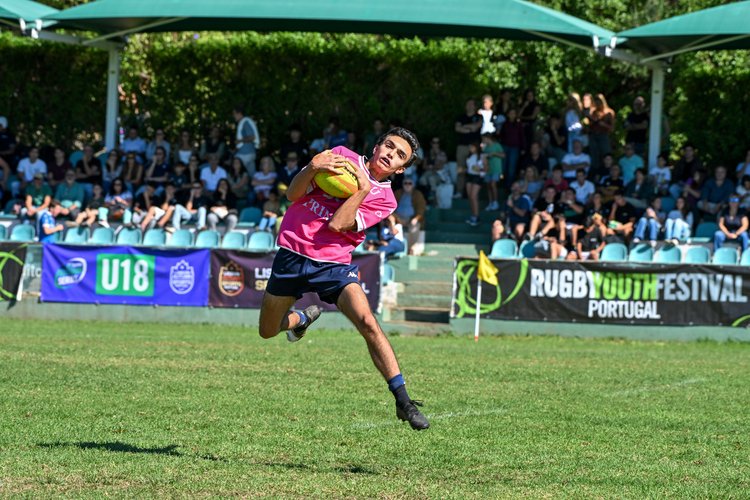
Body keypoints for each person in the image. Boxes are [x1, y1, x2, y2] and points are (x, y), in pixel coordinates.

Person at [258, 127, 429, 431]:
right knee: (268, 330)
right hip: (292, 253)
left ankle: (404, 401)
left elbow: (339, 224)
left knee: (368, 322)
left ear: (401, 168)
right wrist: (313, 167)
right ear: (377, 145)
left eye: (399, 155)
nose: (390, 154)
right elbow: (292, 194)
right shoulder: (340, 156)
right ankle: (300, 319)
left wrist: (362, 189)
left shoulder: (386, 199)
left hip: (333, 264)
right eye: (388, 146)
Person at [454, 99, 482, 197]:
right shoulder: (461, 117)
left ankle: (473, 193)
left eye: (471, 104)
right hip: (462, 146)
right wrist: (469, 128)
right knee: (461, 168)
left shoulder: (479, 117)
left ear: (475, 106)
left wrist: (464, 127)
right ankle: (459, 191)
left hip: (474, 147)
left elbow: (476, 127)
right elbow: (457, 128)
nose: (469, 106)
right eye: (468, 104)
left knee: (474, 169)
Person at [393, 177, 426, 252]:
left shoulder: (418, 194)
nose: (407, 185)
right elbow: (391, 207)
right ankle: (395, 248)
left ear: (413, 185)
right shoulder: (397, 193)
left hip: (411, 218)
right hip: (398, 218)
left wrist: (415, 219)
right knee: (391, 223)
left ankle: (409, 248)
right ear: (402, 185)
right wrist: (397, 218)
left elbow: (421, 209)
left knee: (414, 226)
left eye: (410, 183)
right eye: (405, 183)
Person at [588, 94, 615, 176]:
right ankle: (596, 174)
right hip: (593, 136)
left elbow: (612, 128)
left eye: (599, 102)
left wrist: (603, 125)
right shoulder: (593, 112)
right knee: (594, 157)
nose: (597, 104)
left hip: (604, 136)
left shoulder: (609, 112)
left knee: (606, 155)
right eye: (596, 102)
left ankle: (608, 174)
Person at [499, 108, 524, 188]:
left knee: (511, 167)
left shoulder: (519, 125)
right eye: (511, 113)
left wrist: (523, 147)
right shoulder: (504, 124)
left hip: (515, 148)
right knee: (503, 166)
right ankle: (501, 183)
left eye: (514, 113)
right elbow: (501, 136)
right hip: (505, 147)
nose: (512, 115)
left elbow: (522, 136)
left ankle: (509, 185)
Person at [233, 106, 260, 175]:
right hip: (250, 153)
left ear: (239, 113)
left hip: (245, 153)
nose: (233, 116)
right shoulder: (245, 122)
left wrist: (239, 141)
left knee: (237, 170)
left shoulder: (245, 123)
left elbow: (252, 137)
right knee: (251, 175)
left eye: (234, 114)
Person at [464, 142, 485, 227]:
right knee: (470, 197)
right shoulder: (469, 156)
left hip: (478, 177)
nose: (470, 148)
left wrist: (479, 169)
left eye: (472, 146)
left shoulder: (482, 156)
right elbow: (468, 168)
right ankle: (473, 215)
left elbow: (486, 168)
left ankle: (476, 216)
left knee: (473, 196)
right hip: (470, 176)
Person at [481, 134, 504, 211]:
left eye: (484, 139)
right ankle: (491, 202)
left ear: (488, 138)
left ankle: (495, 202)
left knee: (493, 184)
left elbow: (503, 155)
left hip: (496, 169)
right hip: (488, 170)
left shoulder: (497, 145)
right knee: (488, 186)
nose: (483, 141)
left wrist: (494, 153)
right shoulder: (485, 148)